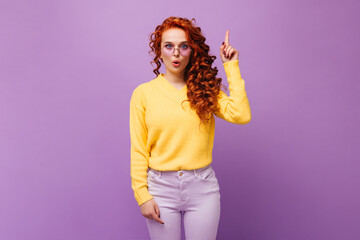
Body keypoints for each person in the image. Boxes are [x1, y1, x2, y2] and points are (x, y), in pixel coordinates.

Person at [129, 16, 251, 240]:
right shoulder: (143, 94)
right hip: (160, 187)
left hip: (202, 188)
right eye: (169, 46)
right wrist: (142, 196)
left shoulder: (205, 90)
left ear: (192, 50)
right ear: (159, 50)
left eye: (183, 46)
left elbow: (241, 115)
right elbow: (138, 149)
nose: (176, 53)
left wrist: (231, 66)